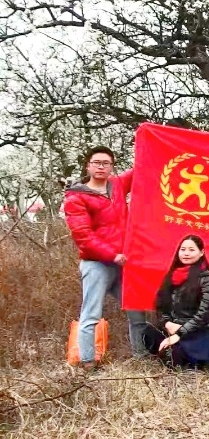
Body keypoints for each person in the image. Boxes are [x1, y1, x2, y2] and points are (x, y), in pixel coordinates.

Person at [63, 146, 147, 369]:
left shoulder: (117, 185)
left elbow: (142, 168)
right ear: (88, 166)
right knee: (91, 313)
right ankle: (87, 362)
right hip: (97, 264)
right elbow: (83, 236)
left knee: (137, 311)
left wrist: (154, 139)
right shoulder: (76, 197)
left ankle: (142, 357)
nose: (101, 167)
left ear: (112, 167)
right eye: (97, 163)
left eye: (106, 163)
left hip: (123, 263)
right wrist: (112, 255)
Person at [142, 235, 209, 367]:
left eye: (191, 250)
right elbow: (161, 306)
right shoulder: (172, 275)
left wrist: (180, 332)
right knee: (148, 333)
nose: (186, 253)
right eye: (183, 249)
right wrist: (167, 323)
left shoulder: (207, 278)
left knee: (178, 357)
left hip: (195, 330)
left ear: (201, 252)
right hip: (173, 326)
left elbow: (202, 314)